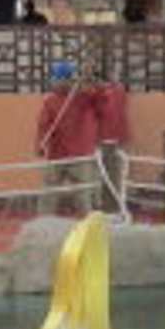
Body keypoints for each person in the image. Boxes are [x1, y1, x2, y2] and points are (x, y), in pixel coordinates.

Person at [35, 59, 98, 217]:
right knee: (49, 192)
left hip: (79, 154)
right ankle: (44, 222)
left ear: (68, 80)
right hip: (57, 153)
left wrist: (89, 77)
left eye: (58, 78)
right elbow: (43, 125)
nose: (54, 82)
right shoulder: (50, 101)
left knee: (82, 194)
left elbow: (97, 98)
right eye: (54, 78)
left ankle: (87, 223)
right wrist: (40, 144)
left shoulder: (81, 96)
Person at [88, 64, 131, 214]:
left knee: (113, 174)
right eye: (113, 73)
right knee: (104, 174)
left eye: (117, 73)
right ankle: (106, 205)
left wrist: (99, 88)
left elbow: (106, 108)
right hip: (105, 138)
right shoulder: (108, 91)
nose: (114, 76)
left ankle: (112, 206)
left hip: (112, 138)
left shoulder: (116, 91)